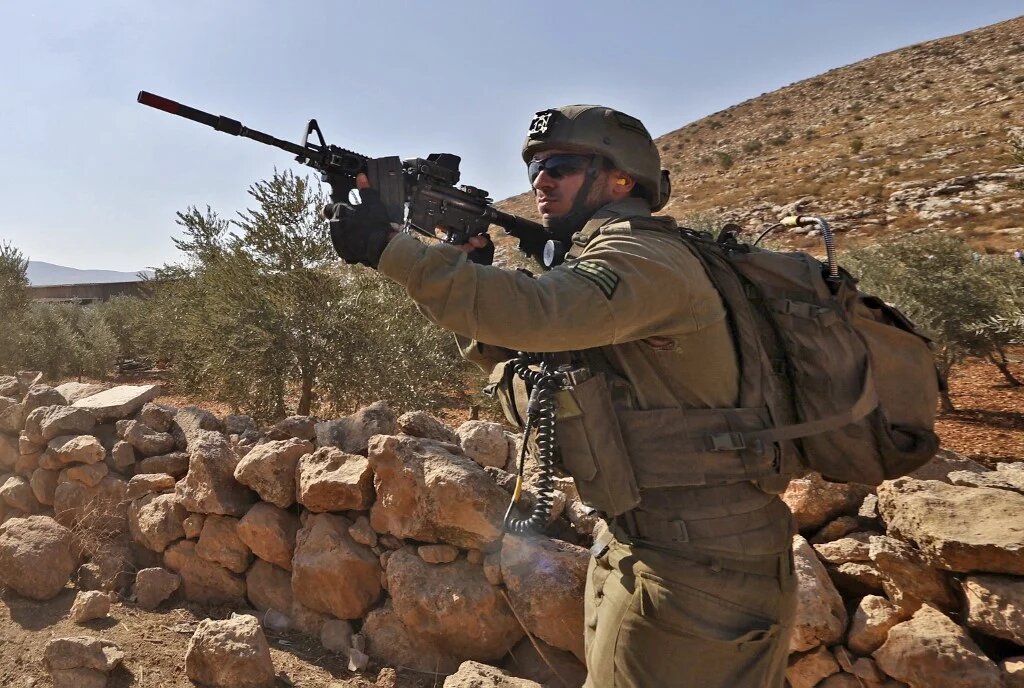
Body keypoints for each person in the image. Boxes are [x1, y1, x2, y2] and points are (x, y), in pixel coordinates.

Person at [335, 105, 797, 688]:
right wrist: (476, 274)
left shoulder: (644, 258)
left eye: (562, 165)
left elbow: (534, 313)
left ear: (622, 179)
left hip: (702, 562)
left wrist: (390, 248)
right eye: (535, 168)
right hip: (647, 542)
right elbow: (534, 356)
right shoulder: (609, 261)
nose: (540, 180)